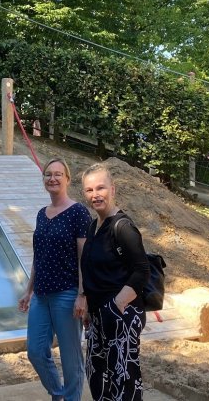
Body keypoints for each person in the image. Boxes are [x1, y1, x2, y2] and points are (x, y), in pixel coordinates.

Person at [18, 158, 91, 401]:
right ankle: (58, 394)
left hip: (67, 294)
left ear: (67, 179)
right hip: (40, 294)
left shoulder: (79, 212)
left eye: (58, 174)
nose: (53, 178)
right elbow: (39, 255)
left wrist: (82, 294)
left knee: (71, 360)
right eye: (48, 174)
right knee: (36, 351)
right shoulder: (42, 214)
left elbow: (85, 258)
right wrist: (28, 291)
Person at [79, 163, 150, 401]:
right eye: (89, 190)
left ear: (113, 189)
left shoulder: (123, 227)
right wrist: (90, 305)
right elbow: (91, 269)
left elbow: (141, 270)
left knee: (123, 380)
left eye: (100, 188)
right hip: (99, 315)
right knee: (98, 376)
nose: (95, 194)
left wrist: (116, 306)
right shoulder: (93, 226)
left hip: (122, 314)